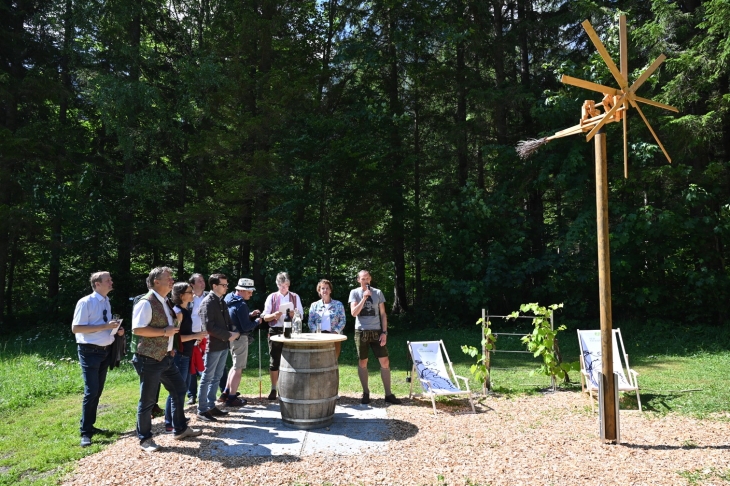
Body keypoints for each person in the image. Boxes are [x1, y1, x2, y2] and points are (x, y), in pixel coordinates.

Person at [132, 267, 202, 452]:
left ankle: (180, 429)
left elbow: (172, 329)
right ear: (156, 282)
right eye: (168, 278)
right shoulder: (146, 302)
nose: (172, 280)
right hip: (149, 358)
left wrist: (171, 345)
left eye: (171, 277)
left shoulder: (165, 301)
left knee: (179, 389)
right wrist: (164, 332)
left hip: (166, 357)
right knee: (147, 400)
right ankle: (145, 439)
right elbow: (138, 329)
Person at [72, 271, 125, 447]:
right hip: (89, 352)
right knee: (92, 390)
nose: (111, 282)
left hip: (104, 351)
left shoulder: (106, 301)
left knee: (98, 390)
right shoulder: (85, 302)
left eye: (111, 279)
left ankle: (90, 426)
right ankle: (85, 432)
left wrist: (116, 330)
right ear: (97, 284)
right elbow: (76, 328)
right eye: (108, 280)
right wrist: (105, 326)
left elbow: (104, 326)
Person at [348, 270, 401, 405]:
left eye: (367, 278)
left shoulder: (378, 293)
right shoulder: (354, 293)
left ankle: (388, 394)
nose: (365, 281)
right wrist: (364, 298)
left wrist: (384, 332)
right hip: (361, 332)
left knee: (385, 361)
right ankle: (366, 393)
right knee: (363, 362)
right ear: (358, 280)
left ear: (370, 279)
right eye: (362, 279)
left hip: (377, 331)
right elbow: (354, 313)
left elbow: (383, 314)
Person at [164, 282, 207, 432]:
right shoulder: (179, 312)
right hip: (180, 355)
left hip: (186, 354)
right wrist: (195, 336)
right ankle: (170, 421)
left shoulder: (185, 310)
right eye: (190, 292)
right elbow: (176, 338)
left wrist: (196, 337)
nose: (193, 294)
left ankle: (177, 417)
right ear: (182, 295)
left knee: (182, 388)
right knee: (177, 390)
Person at [197, 273, 240, 421]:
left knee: (216, 377)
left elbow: (228, 321)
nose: (226, 287)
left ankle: (210, 405)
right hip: (212, 345)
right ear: (214, 286)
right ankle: (202, 409)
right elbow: (209, 327)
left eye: (227, 285)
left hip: (222, 344)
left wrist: (234, 331)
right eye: (223, 285)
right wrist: (228, 335)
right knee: (207, 377)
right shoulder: (208, 302)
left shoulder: (221, 301)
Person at [261, 272, 303, 400]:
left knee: (292, 359)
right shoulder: (272, 297)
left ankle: (288, 388)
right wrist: (274, 315)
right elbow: (265, 317)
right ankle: (274, 388)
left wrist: (294, 314)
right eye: (282, 286)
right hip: (275, 330)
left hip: (291, 330)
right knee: (275, 360)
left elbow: (301, 315)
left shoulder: (295, 297)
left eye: (286, 286)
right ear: (277, 284)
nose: (285, 288)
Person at [220, 278, 262, 406]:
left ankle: (225, 393)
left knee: (234, 366)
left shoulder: (229, 298)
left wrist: (249, 315)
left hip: (230, 336)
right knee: (238, 369)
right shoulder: (242, 304)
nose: (251, 294)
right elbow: (246, 326)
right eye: (249, 292)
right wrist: (257, 321)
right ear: (242, 290)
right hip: (240, 338)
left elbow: (235, 317)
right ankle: (232, 398)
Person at [307, 279, 346, 359]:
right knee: (318, 359)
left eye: (327, 288)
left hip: (334, 336)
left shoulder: (338, 304)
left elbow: (343, 320)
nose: (325, 290)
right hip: (318, 337)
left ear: (330, 290)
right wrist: (316, 332)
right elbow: (310, 322)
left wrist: (336, 332)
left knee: (333, 360)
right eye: (323, 288)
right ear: (319, 291)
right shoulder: (314, 305)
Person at [186, 274, 207, 404]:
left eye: (203, 280)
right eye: (199, 281)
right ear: (192, 284)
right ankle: (192, 395)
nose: (202, 283)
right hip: (191, 335)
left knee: (213, 362)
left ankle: (224, 391)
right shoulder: (187, 298)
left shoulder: (209, 296)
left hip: (207, 334)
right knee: (191, 366)